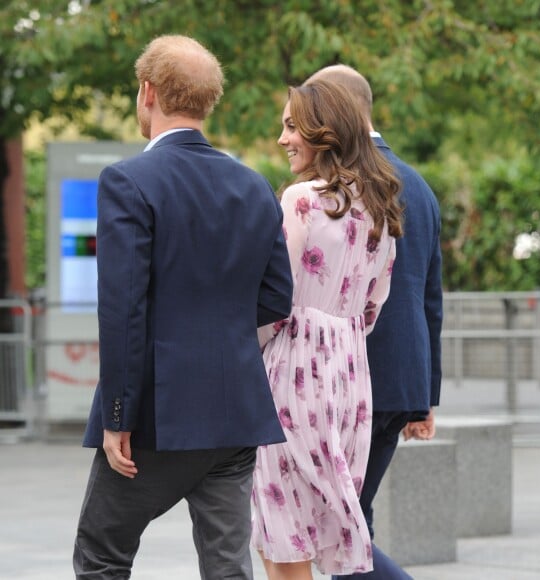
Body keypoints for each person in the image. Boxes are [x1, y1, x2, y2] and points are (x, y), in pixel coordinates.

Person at [73, 35, 294, 580]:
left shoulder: (127, 180)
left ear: (146, 92)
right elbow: (276, 297)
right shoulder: (254, 184)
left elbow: (122, 307)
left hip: (155, 416)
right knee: (227, 567)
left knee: (101, 557)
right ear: (208, 101)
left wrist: (117, 415)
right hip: (236, 412)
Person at [251, 80, 404, 580]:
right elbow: (372, 309)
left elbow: (273, 302)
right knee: (309, 529)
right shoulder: (379, 209)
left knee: (282, 535)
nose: (282, 138)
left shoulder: (301, 200)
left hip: (292, 373)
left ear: (325, 132)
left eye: (293, 126)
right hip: (347, 377)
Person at [307, 65, 443, 580]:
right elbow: (431, 298)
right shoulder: (420, 185)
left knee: (343, 530)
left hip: (351, 376)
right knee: (353, 521)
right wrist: (425, 396)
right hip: (401, 378)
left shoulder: (342, 185)